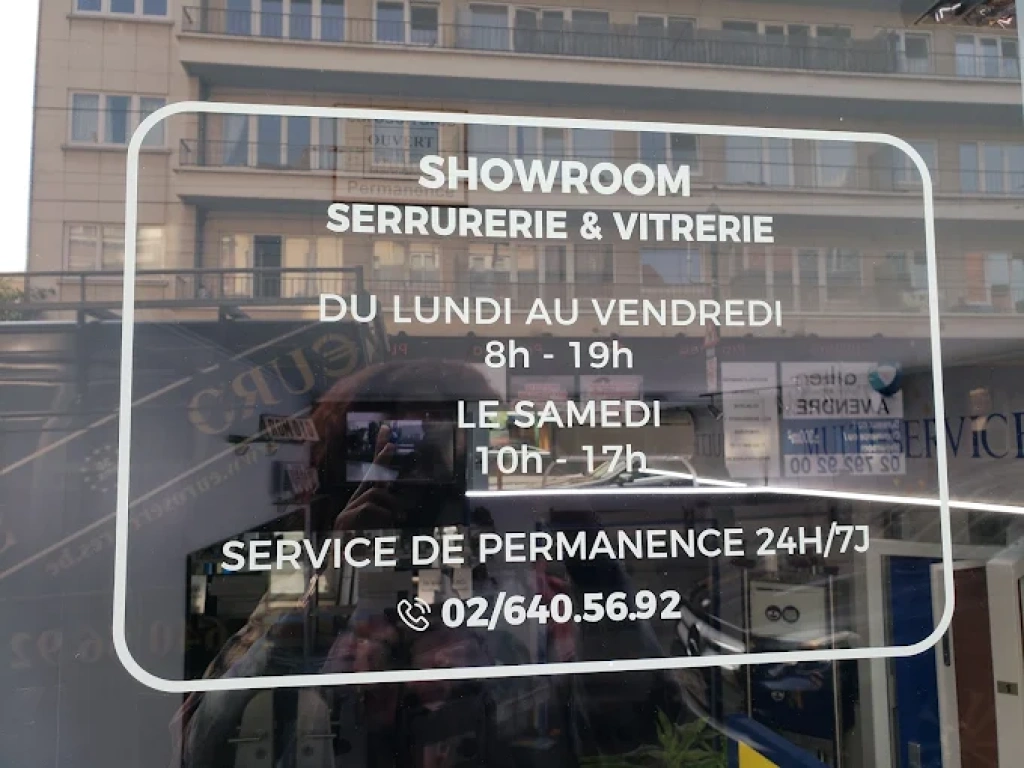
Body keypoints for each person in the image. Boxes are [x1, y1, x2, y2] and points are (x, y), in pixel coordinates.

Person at [172, 359, 706, 768]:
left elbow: (636, 726)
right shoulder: (315, 588)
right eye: (395, 453)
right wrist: (331, 581)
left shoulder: (525, 590)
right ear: (345, 469)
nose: (423, 480)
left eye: (446, 450)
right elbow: (200, 744)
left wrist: (590, 559)